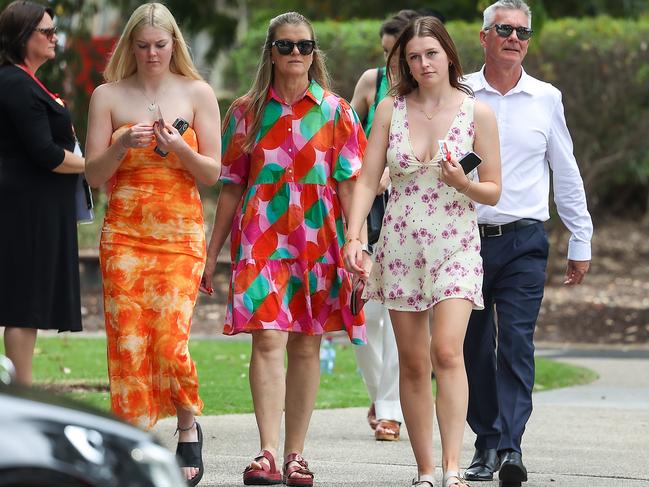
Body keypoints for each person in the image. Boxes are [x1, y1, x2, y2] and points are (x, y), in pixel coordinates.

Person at [200, 11, 366, 487]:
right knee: (268, 336)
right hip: (261, 238)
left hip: (319, 239)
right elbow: (231, 187)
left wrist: (355, 242)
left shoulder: (336, 112)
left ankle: (296, 454)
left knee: (307, 342)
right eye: (286, 45)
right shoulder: (245, 112)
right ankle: (267, 453)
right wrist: (211, 255)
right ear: (270, 51)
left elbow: (352, 185)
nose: (296, 54)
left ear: (315, 53)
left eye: (305, 46)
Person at [343, 16, 501, 487]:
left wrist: (464, 183)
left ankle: (454, 466)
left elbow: (493, 190)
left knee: (447, 351)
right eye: (414, 56)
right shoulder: (392, 108)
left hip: (455, 245)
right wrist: (354, 238)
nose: (423, 63)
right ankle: (426, 469)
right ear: (404, 63)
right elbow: (368, 179)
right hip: (401, 246)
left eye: (431, 53)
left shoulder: (479, 113)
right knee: (412, 362)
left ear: (449, 55)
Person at [84, 3, 221, 485]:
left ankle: (187, 426)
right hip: (123, 233)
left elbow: (212, 174)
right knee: (129, 341)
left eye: (160, 45)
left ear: (174, 45)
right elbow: (95, 177)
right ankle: (133, 435)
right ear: (130, 47)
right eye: (142, 46)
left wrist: (181, 147)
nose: (151, 54)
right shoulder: (107, 95)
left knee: (170, 339)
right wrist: (122, 146)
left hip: (180, 234)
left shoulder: (197, 92)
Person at [461, 1, 593, 485]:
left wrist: (581, 238)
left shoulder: (546, 98)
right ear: (485, 37)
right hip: (464, 242)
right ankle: (486, 443)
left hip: (523, 240)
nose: (514, 38)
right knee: (473, 347)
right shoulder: (460, 94)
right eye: (504, 29)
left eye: (522, 32)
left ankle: (511, 448)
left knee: (516, 344)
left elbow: (566, 169)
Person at [0, 1, 85, 386]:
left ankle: (20, 396)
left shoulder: (26, 82)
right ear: (22, 37)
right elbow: (46, 154)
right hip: (25, 211)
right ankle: (21, 398)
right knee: (22, 307)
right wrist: (94, 163)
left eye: (54, 31)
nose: (55, 39)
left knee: (26, 307)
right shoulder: (15, 83)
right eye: (46, 32)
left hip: (35, 208)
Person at [349, 8, 421, 442]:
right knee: (361, 312)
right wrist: (365, 177)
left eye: (399, 53)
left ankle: (392, 409)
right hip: (368, 208)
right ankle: (379, 393)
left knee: (398, 313)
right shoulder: (370, 83)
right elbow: (346, 137)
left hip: (410, 212)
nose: (393, 62)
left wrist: (393, 174)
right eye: (387, 53)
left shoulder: (430, 92)